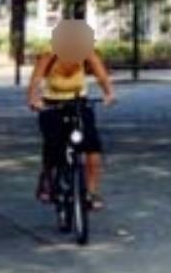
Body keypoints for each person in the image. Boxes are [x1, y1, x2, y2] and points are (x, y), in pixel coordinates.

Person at [27, 19, 117, 211]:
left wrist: (109, 94)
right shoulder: (48, 55)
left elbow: (101, 76)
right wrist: (34, 99)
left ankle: (91, 192)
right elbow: (36, 81)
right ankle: (48, 177)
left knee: (92, 147)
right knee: (53, 145)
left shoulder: (87, 53)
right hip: (52, 104)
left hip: (78, 102)